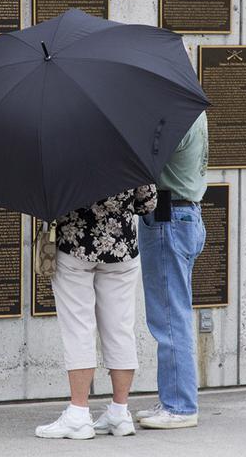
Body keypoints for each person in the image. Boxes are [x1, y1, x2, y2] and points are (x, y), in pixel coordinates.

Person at [35, 185, 158, 440]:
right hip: (123, 248)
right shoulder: (130, 147)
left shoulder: (64, 148)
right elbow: (148, 203)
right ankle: (120, 413)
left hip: (75, 246)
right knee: (121, 329)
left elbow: (48, 199)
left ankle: (79, 414)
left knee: (78, 329)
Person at [136, 111, 208, 429]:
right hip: (183, 215)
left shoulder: (175, 119)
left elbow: (146, 163)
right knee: (173, 312)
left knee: (168, 316)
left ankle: (179, 406)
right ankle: (173, 397)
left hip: (170, 218)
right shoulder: (194, 112)